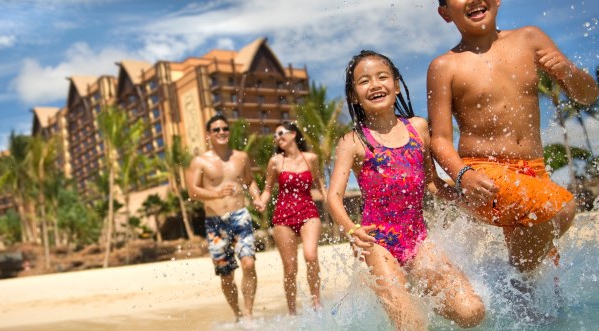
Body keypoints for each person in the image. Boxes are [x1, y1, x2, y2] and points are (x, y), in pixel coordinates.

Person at [428, 0, 599, 280]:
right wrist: (462, 176)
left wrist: (568, 70)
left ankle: (511, 291)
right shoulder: (444, 66)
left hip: (535, 171)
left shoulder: (530, 38)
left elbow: (588, 96)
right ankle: (516, 280)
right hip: (483, 175)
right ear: (445, 13)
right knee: (560, 207)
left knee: (546, 281)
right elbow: (440, 139)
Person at [327, 50, 485, 329]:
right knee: (412, 327)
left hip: (417, 239)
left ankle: (418, 292)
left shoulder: (418, 129)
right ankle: (390, 289)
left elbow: (431, 182)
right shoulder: (352, 142)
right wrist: (352, 230)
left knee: (471, 312)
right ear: (354, 96)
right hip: (378, 243)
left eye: (382, 77)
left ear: (397, 84)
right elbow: (334, 197)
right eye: (363, 81)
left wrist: (462, 199)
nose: (375, 84)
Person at [187, 114, 266, 323]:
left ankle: (248, 314)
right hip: (215, 223)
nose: (222, 132)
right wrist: (216, 194)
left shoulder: (241, 157)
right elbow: (192, 191)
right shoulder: (200, 161)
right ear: (208, 135)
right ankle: (237, 315)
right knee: (226, 274)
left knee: (248, 263)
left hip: (240, 217)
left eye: (224, 129)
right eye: (216, 130)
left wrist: (256, 197)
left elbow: (250, 182)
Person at [259, 122, 326, 315]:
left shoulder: (311, 158)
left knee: (311, 255)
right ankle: (292, 312)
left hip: (308, 211)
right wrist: (261, 202)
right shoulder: (275, 161)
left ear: (294, 134)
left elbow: (321, 186)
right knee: (290, 268)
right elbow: (268, 189)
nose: (278, 138)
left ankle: (316, 304)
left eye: (281, 133)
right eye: (275, 136)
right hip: (283, 216)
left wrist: (336, 208)